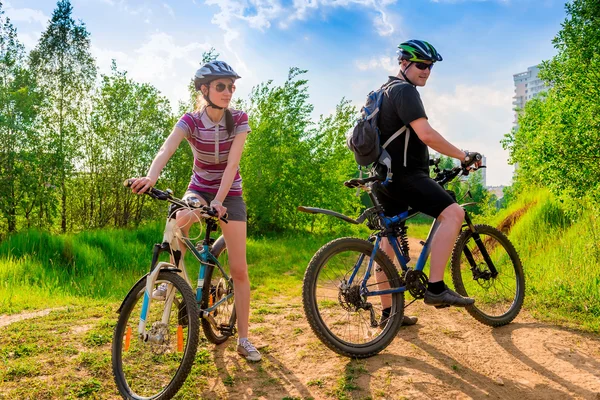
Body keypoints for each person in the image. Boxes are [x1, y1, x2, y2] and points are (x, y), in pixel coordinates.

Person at [129, 60, 261, 362]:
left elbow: (232, 165)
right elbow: (167, 148)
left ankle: (243, 338)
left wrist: (220, 200)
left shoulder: (238, 119)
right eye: (221, 86)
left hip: (231, 196)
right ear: (204, 89)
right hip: (199, 190)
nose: (228, 92)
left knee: (239, 270)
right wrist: (151, 178)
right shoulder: (190, 120)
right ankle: (175, 279)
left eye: (231, 86)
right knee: (179, 218)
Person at [375, 40, 481, 323]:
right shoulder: (405, 91)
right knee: (454, 213)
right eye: (421, 65)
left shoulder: (381, 92)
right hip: (405, 178)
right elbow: (427, 135)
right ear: (404, 64)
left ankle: (389, 314)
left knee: (387, 246)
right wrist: (462, 156)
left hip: (381, 178)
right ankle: (435, 287)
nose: (427, 71)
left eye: (430, 66)